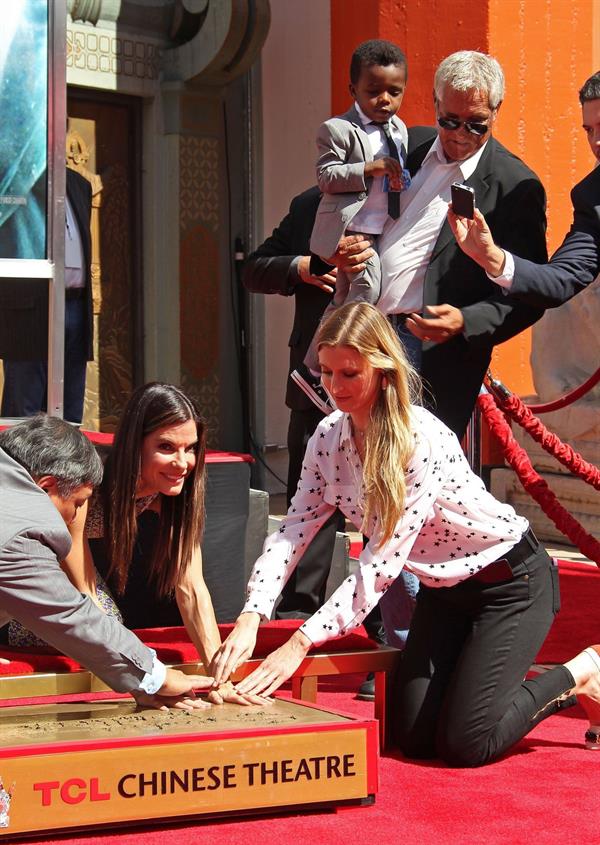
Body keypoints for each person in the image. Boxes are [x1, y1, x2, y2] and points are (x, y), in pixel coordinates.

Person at [211, 302, 600, 765]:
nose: (335, 388)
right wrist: (254, 612)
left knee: (466, 744)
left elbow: (379, 564)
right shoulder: (327, 438)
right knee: (412, 737)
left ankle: (583, 672)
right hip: (443, 595)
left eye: (350, 374)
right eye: (327, 372)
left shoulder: (421, 438)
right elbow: (294, 529)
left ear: (383, 369)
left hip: (511, 586)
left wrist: (301, 642)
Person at [331, 50, 546, 440]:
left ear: (496, 111)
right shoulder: (407, 145)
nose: (461, 134)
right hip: (364, 328)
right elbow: (349, 204)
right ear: (434, 103)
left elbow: (530, 294)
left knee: (411, 473)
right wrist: (345, 243)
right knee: (348, 458)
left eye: (476, 124)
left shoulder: (515, 186)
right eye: (450, 120)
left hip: (428, 353)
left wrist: (467, 321)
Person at [7, 383, 262, 706]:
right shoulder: (87, 482)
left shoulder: (174, 492)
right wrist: (143, 679)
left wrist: (218, 677)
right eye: (166, 447)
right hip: (34, 562)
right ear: (135, 445)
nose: (182, 462)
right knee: (105, 626)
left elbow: (191, 588)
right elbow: (82, 587)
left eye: (191, 448)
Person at [292, 39, 410, 410]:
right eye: (373, 91)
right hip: (351, 232)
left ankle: (312, 370)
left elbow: (402, 176)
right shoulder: (337, 129)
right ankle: (334, 363)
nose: (385, 100)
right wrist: (368, 169)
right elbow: (326, 177)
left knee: (341, 301)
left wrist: (397, 180)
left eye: (394, 91)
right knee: (367, 290)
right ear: (353, 90)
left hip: (381, 229)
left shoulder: (400, 130)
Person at [447, 70, 600, 307]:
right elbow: (562, 278)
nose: (595, 141)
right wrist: (493, 258)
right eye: (589, 130)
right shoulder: (591, 196)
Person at [0, 168, 94, 423]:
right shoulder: (15, 175)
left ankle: (67, 462)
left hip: (75, 304)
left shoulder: (79, 184)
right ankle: (20, 462)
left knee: (69, 404)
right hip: (28, 306)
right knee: (25, 407)